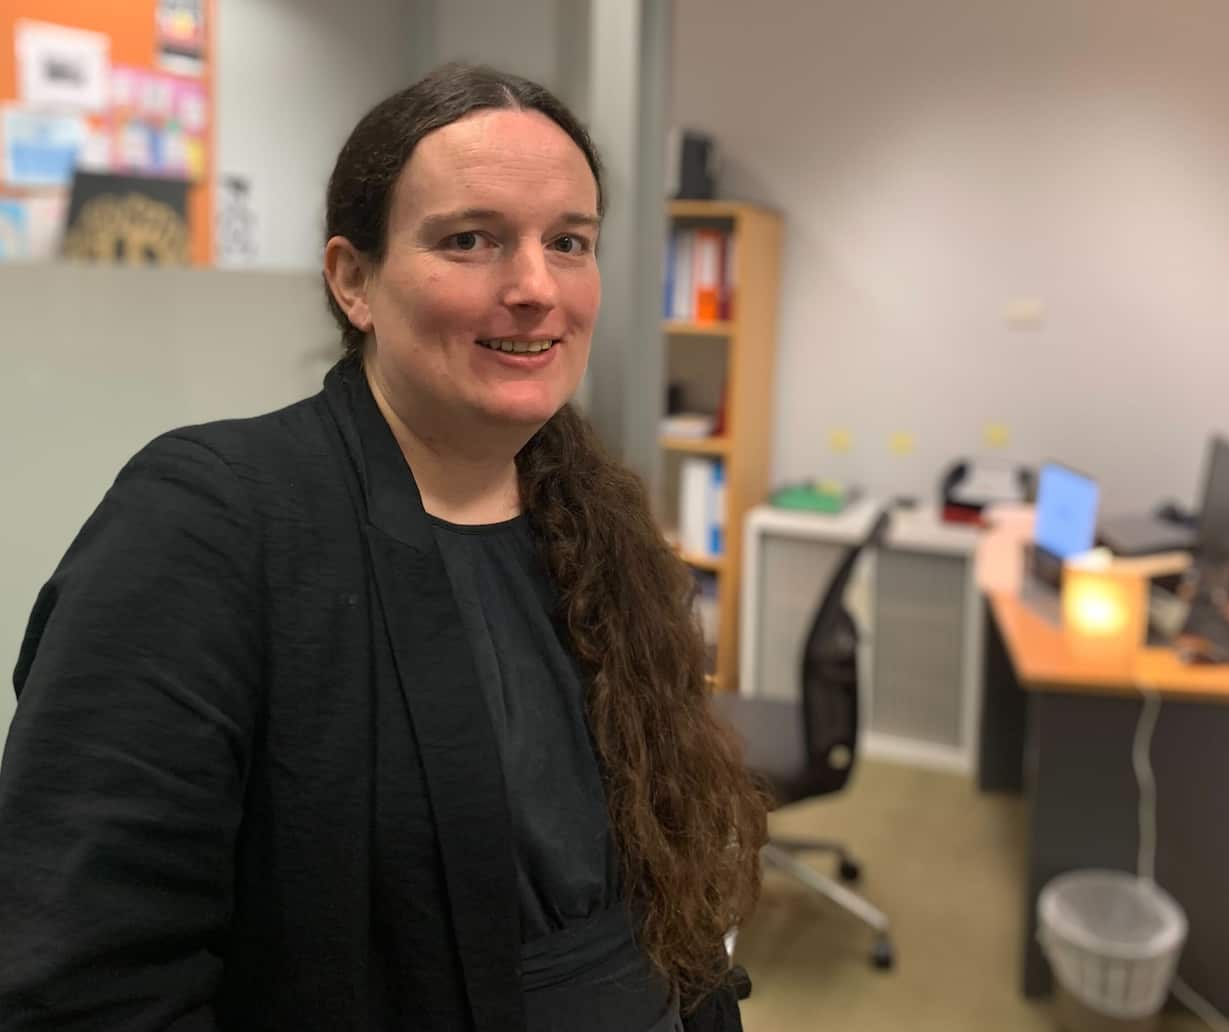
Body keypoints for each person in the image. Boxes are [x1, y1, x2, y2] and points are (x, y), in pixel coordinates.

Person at [0, 63, 768, 1031]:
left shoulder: (596, 522)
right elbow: (80, 982)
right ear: (352, 279)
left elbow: (670, 898)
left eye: (567, 242)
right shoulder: (208, 522)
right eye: (471, 239)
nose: (534, 287)